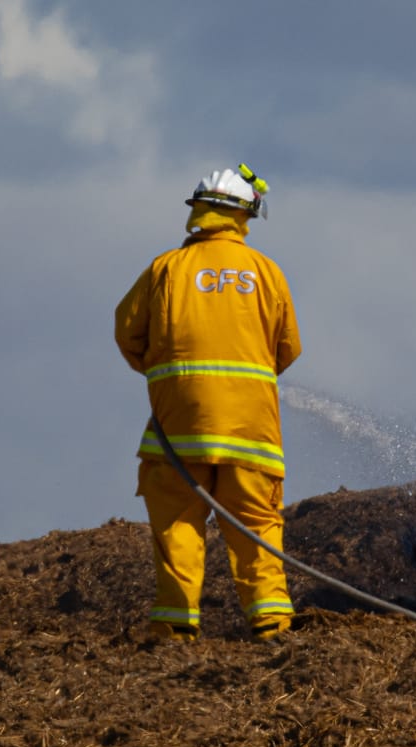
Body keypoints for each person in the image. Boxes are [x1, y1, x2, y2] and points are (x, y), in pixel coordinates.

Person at [113, 164, 301, 643]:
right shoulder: (266, 273)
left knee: (177, 522)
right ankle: (272, 626)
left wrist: (169, 377)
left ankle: (175, 625)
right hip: (251, 432)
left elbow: (128, 334)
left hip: (179, 428)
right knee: (256, 523)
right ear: (245, 216)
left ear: (198, 212)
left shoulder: (165, 269)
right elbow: (287, 349)